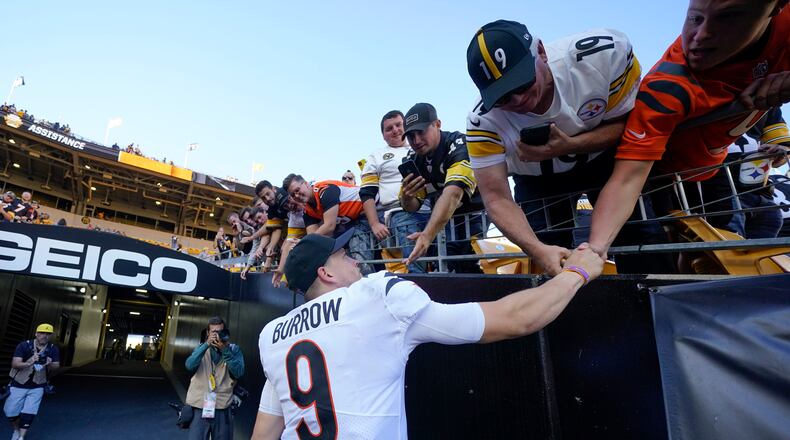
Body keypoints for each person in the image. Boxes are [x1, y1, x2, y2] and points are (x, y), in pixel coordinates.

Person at [250, 229, 603, 439]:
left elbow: (263, 435)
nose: (356, 261)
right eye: (345, 256)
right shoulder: (376, 297)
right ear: (326, 273)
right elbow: (515, 319)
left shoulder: (274, 335)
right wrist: (576, 274)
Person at [465, 20, 669, 275]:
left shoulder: (603, 56)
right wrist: (538, 250)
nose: (517, 100)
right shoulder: (481, 122)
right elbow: (496, 198)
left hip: (601, 160)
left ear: (541, 51)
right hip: (538, 179)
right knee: (547, 249)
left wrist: (570, 146)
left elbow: (629, 126)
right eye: (503, 97)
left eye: (522, 83)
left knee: (639, 237)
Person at [589, 0, 790, 259]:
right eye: (695, 18)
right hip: (668, 173)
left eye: (729, 17)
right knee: (671, 243)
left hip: (715, 171)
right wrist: (594, 251)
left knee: (730, 243)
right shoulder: (666, 89)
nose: (701, 36)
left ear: (777, 8)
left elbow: (780, 141)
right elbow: (626, 179)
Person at [399, 102, 484, 273]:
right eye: (410, 136)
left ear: (437, 124)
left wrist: (427, 234)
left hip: (475, 213)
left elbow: (453, 194)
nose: (416, 141)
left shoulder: (459, 144)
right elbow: (412, 206)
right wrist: (407, 198)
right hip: (443, 218)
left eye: (421, 132)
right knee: (446, 261)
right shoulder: (412, 158)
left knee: (470, 260)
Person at [360, 110, 431, 273]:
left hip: (431, 208)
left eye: (399, 125)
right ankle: (417, 287)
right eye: (389, 128)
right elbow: (366, 193)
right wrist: (374, 224)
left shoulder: (420, 147)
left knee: (446, 257)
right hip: (400, 212)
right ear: (383, 135)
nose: (395, 130)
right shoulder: (376, 156)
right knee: (416, 263)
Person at [185, 317, 245, 440]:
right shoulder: (201, 349)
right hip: (200, 406)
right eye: (214, 332)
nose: (217, 335)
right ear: (208, 333)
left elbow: (239, 372)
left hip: (222, 407)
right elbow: (189, 365)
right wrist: (206, 344)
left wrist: (225, 350)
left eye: (220, 332)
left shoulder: (233, 350)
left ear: (225, 333)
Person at [4, 324, 60, 440]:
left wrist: (49, 363)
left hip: (38, 385)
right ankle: (16, 430)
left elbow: (56, 366)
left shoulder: (53, 348)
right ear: (36, 333)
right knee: (10, 412)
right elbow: (15, 364)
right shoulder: (24, 346)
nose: (44, 336)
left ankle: (21, 437)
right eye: (42, 333)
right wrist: (29, 362)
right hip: (18, 384)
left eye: (48, 334)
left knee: (29, 413)